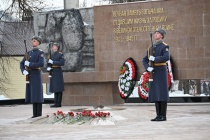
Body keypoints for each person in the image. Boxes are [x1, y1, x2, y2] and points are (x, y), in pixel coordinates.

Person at [142, 28, 170, 121]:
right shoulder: (150, 47)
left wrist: (155, 59)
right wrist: (147, 67)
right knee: (155, 93)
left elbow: (166, 57)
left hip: (161, 71)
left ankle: (163, 115)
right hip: (153, 72)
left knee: (162, 93)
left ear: (162, 36)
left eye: (158, 33)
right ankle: (158, 115)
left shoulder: (164, 46)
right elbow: (145, 59)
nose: (156, 35)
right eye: (155, 33)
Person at [20, 36, 44, 118]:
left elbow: (41, 64)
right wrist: (23, 70)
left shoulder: (40, 52)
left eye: (34, 41)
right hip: (30, 75)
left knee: (37, 93)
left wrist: (30, 64)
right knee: (33, 94)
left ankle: (39, 113)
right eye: (32, 41)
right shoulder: (29, 53)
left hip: (36, 74)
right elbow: (21, 63)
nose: (32, 42)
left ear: (38, 42)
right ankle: (34, 114)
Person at [47, 42, 65, 108]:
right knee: (55, 87)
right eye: (53, 46)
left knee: (59, 88)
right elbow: (48, 62)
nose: (53, 47)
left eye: (54, 46)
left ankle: (58, 103)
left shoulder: (60, 54)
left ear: (57, 47)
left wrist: (53, 62)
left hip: (57, 71)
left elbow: (62, 63)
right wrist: (48, 66)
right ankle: (55, 102)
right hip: (53, 72)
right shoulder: (52, 55)